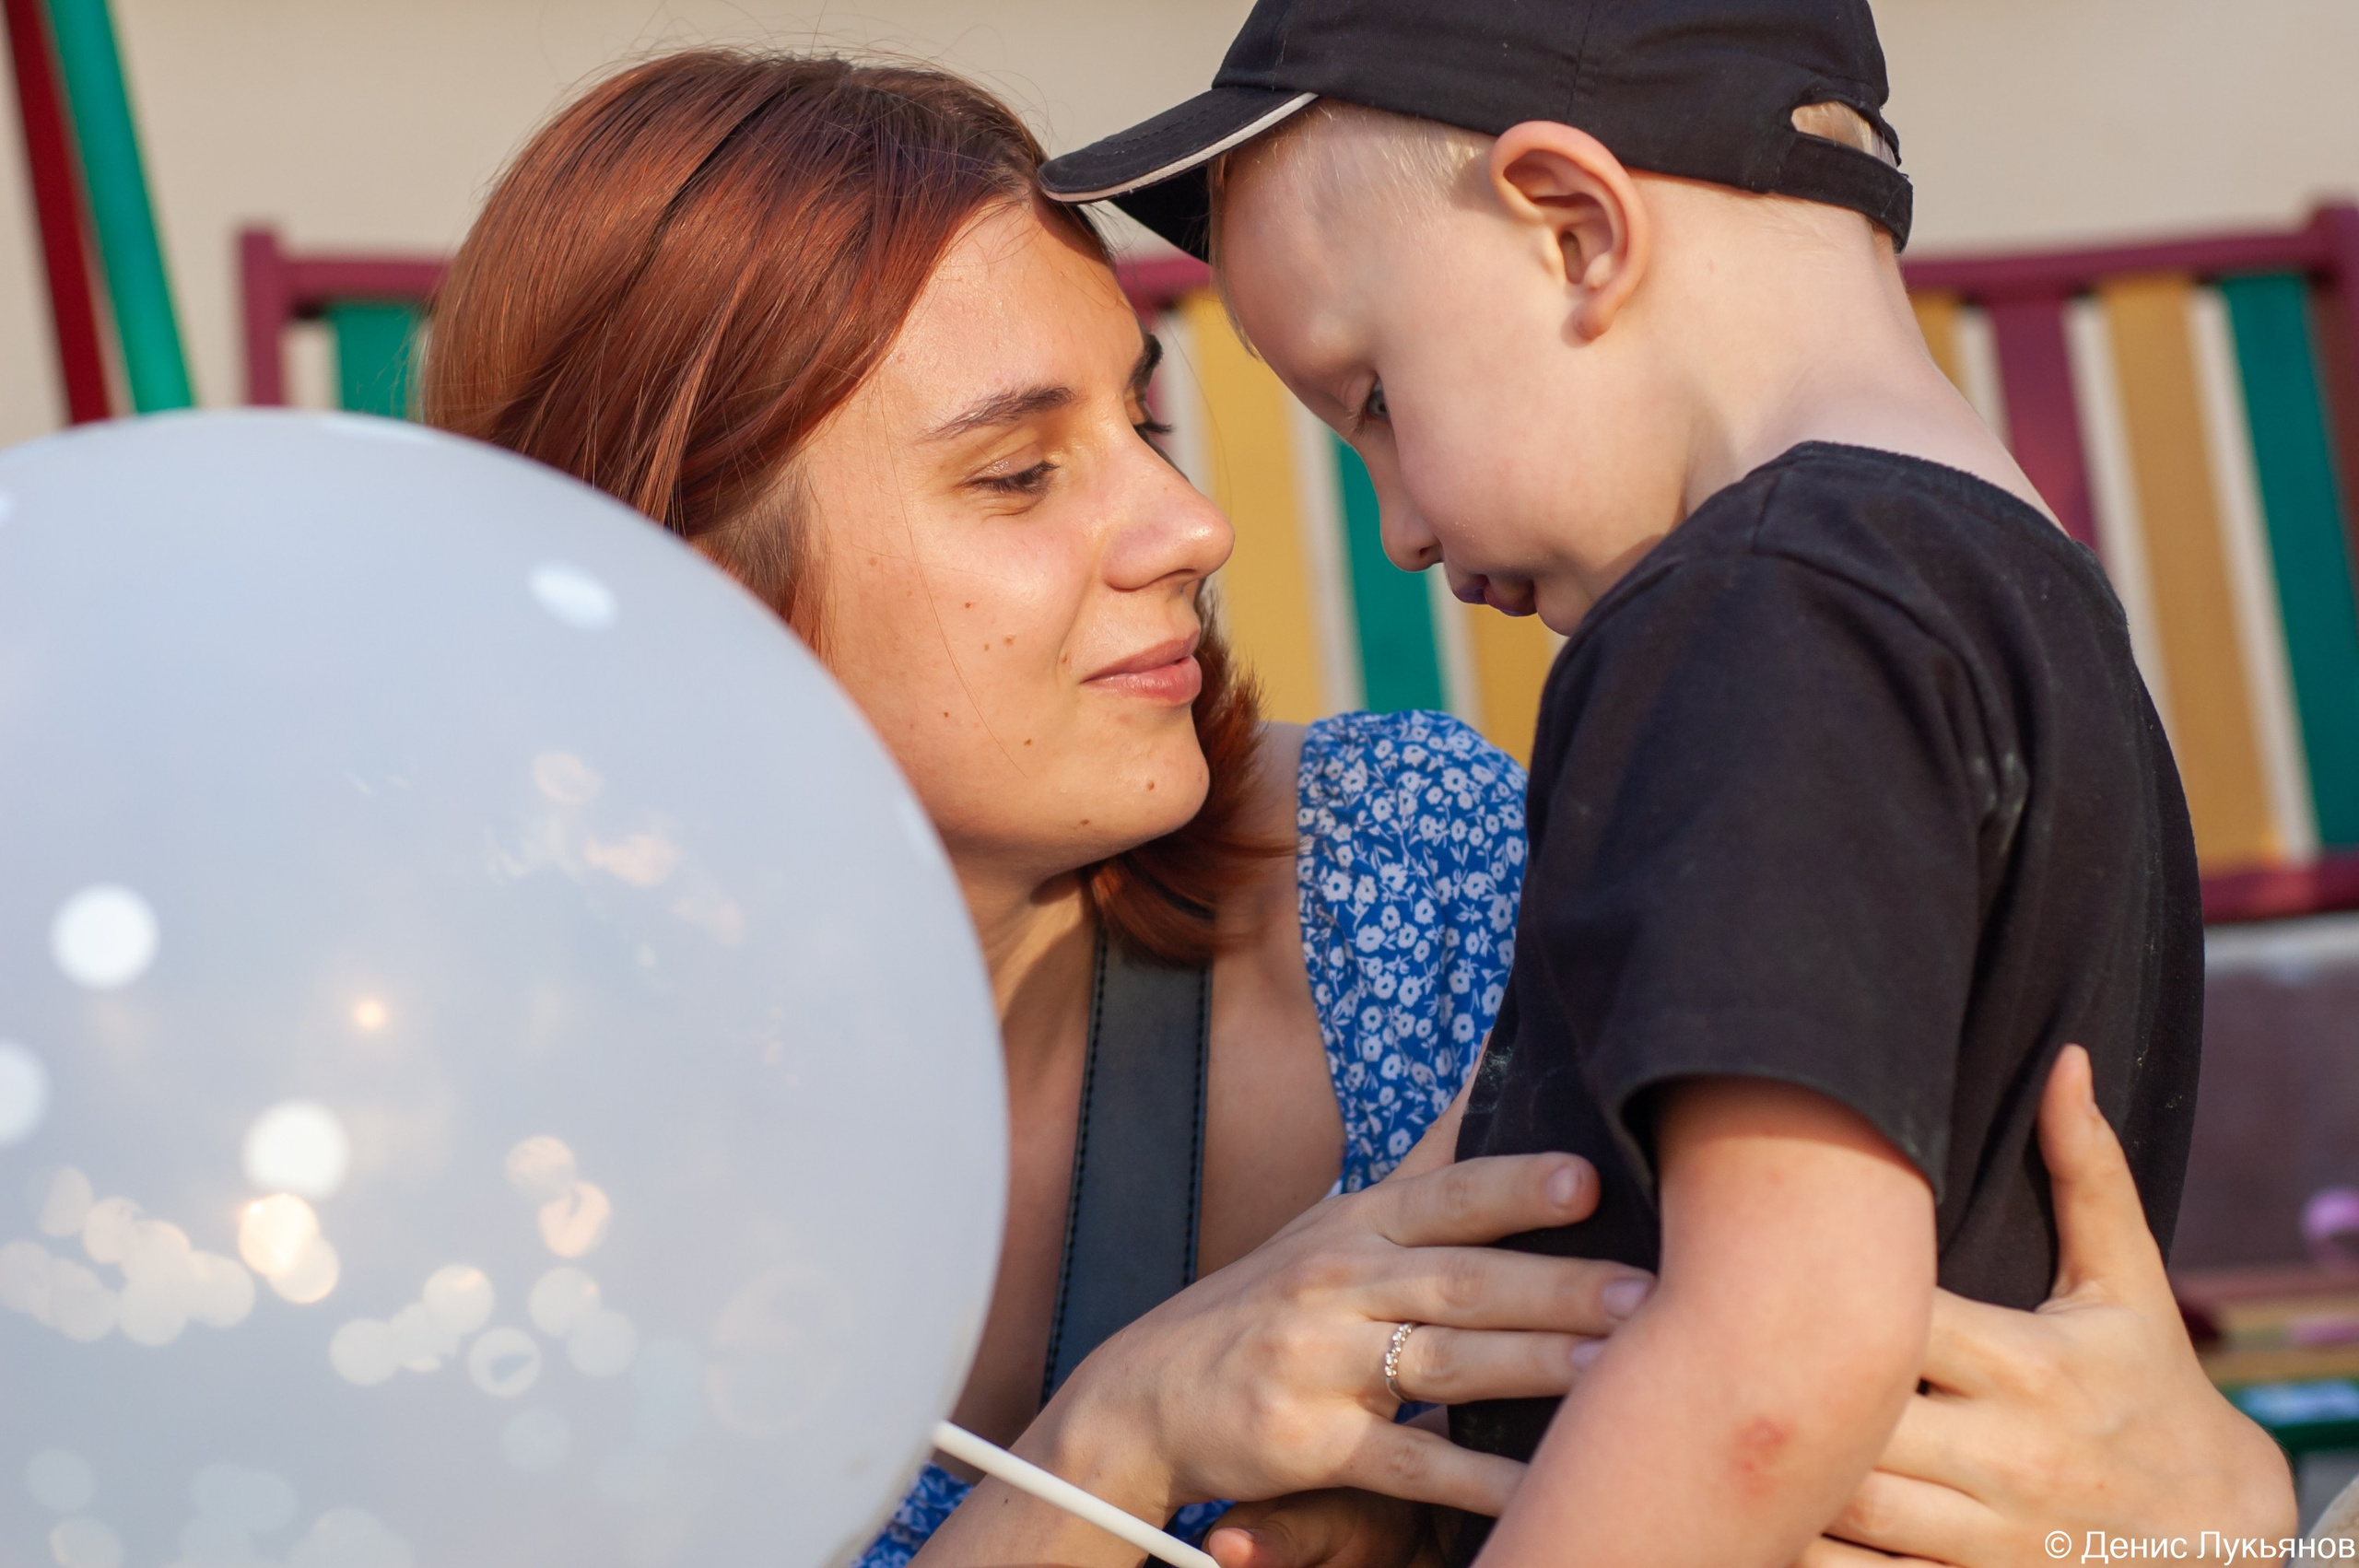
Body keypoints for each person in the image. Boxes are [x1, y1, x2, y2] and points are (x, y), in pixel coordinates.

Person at [420, 49, 2290, 1568]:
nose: (1192, 527)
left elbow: (1815, 1363)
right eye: (1014, 472)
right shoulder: (427, 1184)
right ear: (679, 584)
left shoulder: (1414, 881)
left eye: (1140, 428)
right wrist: (1107, 1452)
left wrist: (2227, 1536)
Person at [1042, 0, 2205, 1563]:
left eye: (1374, 401)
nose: (1398, 527)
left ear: (1577, 228)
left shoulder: (1748, 613)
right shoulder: (2018, 609)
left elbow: (1776, 1356)